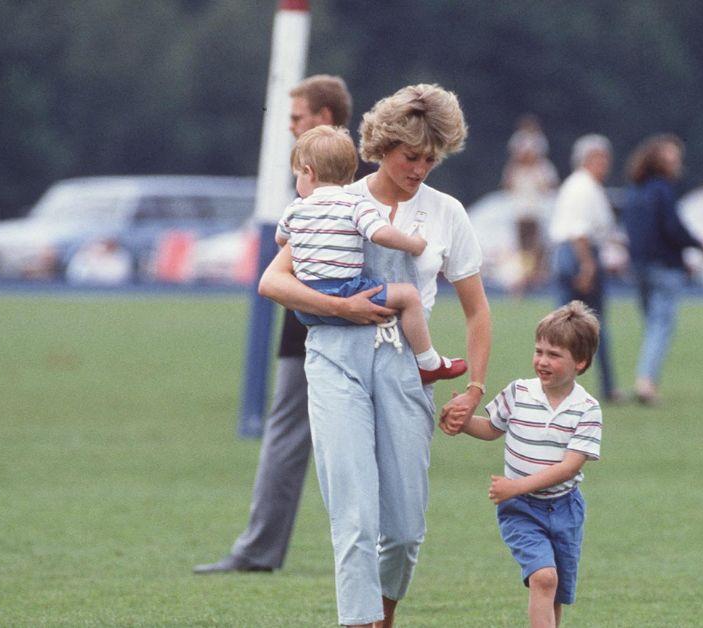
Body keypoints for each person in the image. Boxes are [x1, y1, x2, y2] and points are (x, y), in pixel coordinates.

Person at [259, 83, 491, 627]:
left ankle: (381, 615)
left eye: (432, 159)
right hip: (336, 357)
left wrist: (474, 389)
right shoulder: (339, 197)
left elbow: (478, 312)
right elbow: (274, 279)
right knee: (355, 516)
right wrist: (340, 310)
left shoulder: (448, 213)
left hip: (408, 366)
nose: (421, 169)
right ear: (383, 146)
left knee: (405, 531)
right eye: (412, 157)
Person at [194, 74, 354, 575]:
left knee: (290, 432)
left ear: (324, 118)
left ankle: (260, 550)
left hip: (319, 327)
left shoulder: (336, 187)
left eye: (296, 118)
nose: (289, 127)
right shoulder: (351, 183)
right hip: (321, 324)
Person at [451, 300, 602, 628]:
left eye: (554, 355)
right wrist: (462, 422)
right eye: (539, 351)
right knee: (544, 578)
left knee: (554, 589)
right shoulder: (518, 392)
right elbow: (492, 428)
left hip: (565, 509)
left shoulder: (587, 408)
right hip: (521, 509)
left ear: (580, 362)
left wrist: (515, 485)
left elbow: (570, 467)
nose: (542, 361)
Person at [276, 125, 466, 382]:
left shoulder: (295, 209)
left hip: (307, 306)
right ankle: (427, 361)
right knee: (409, 295)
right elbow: (380, 234)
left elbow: (281, 240)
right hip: (347, 291)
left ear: (308, 172)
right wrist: (413, 244)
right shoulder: (355, 204)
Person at [620, 134, 703, 405]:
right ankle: (646, 382)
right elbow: (673, 227)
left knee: (651, 324)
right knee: (660, 326)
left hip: (639, 267)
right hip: (664, 267)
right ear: (657, 159)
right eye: (672, 156)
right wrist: (698, 246)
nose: (677, 162)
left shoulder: (634, 191)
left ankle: (646, 377)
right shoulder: (662, 190)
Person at [549, 134, 620, 401]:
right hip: (579, 255)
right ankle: (606, 386)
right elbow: (579, 230)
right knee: (588, 326)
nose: (607, 164)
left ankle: (556, 385)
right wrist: (588, 265)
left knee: (563, 326)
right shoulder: (584, 187)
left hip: (573, 254)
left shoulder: (578, 186)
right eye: (602, 158)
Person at [500, 114, 559, 295]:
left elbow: (549, 186)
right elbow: (507, 185)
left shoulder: (543, 168)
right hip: (520, 213)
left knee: (535, 249)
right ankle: (522, 279)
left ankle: (532, 279)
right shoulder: (515, 169)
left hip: (537, 214)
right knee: (522, 249)